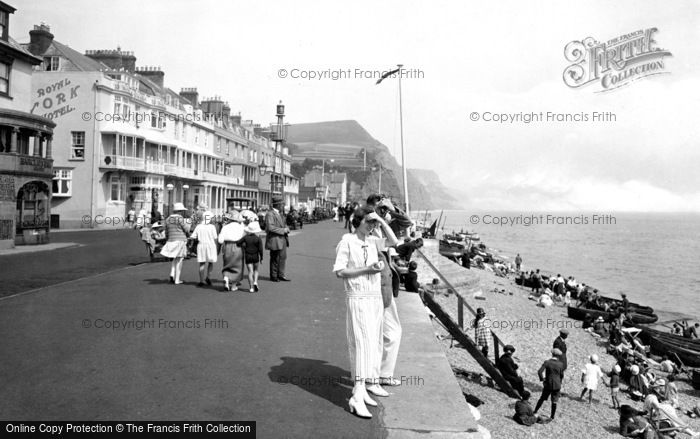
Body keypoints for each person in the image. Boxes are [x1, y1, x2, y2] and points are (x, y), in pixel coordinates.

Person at [333, 206, 391, 419]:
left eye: (373, 223)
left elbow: (394, 242)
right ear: (357, 221)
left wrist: (381, 221)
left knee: (373, 344)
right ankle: (356, 395)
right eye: (368, 222)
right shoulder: (347, 241)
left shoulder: (372, 240)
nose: (372, 226)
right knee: (361, 344)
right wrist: (367, 270)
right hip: (358, 297)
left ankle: (363, 389)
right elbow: (340, 271)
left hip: (374, 297)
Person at [160, 202, 191, 284]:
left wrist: (168, 239)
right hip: (180, 240)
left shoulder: (168, 219)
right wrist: (189, 234)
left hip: (171, 240)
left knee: (175, 258)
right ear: (180, 211)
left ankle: (172, 274)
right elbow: (186, 229)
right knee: (180, 259)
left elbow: (166, 231)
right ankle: (177, 279)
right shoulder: (180, 218)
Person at [534, 348, 565, 420]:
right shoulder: (560, 364)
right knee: (554, 401)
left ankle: (535, 410)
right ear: (558, 356)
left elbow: (539, 372)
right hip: (557, 385)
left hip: (548, 384)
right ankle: (552, 416)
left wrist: (542, 379)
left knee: (542, 398)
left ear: (552, 354)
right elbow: (561, 375)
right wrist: (559, 382)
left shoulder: (547, 362)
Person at [265, 196, 290, 282]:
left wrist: (287, 228)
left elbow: (284, 224)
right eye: (282, 204)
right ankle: (274, 275)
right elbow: (270, 227)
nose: (283, 206)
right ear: (278, 205)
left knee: (283, 257)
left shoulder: (281, 214)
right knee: (275, 258)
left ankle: (281, 274)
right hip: (275, 239)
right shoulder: (270, 214)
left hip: (282, 238)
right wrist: (283, 230)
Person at [218, 211, 245, 292]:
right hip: (238, 246)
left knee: (227, 264)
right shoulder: (241, 227)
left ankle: (226, 278)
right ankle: (233, 285)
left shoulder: (225, 227)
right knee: (238, 266)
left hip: (227, 246)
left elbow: (220, 240)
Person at [189, 211, 218, 287]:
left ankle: (201, 280)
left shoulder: (199, 226)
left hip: (201, 245)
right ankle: (208, 277)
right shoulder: (212, 227)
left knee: (202, 263)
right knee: (210, 262)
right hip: (211, 245)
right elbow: (215, 237)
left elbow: (193, 236)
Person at [238, 221, 264, 293]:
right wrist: (261, 258)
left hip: (248, 255)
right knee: (256, 270)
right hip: (255, 256)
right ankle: (255, 282)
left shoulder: (245, 237)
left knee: (250, 271)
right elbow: (260, 249)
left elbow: (238, 243)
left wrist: (243, 245)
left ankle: (251, 288)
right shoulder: (258, 238)